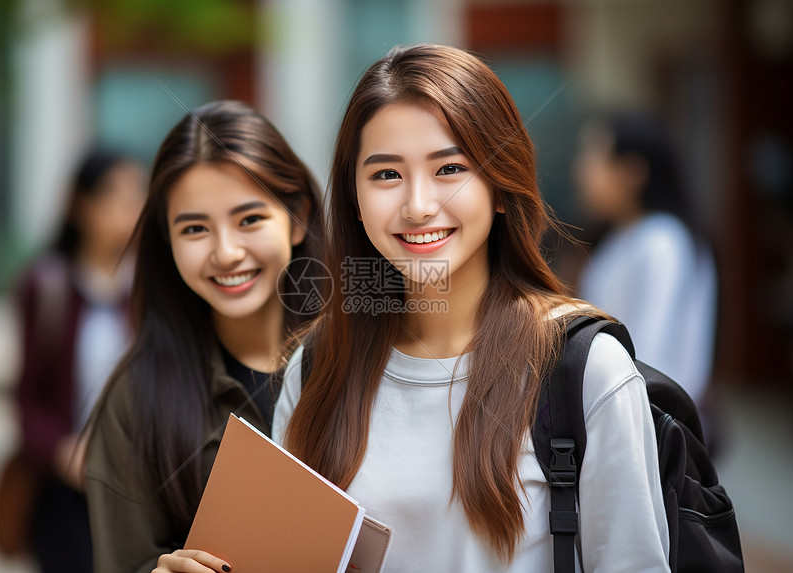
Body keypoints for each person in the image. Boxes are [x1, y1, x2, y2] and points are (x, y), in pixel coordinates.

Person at [273, 44, 670, 571]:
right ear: (356, 202)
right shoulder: (315, 368)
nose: (417, 206)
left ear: (501, 188)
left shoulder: (584, 372)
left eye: (450, 168)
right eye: (386, 175)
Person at [83, 100, 325, 573]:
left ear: (297, 215)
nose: (227, 252)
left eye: (249, 219)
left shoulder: (372, 358)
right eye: (195, 228)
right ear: (167, 241)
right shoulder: (135, 400)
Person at [15, 149, 146, 573]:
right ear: (79, 204)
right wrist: (60, 451)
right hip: (67, 487)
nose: (129, 207)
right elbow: (28, 393)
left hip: (139, 483)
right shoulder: (47, 286)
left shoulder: (153, 286)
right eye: (114, 194)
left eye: (137, 194)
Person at [574, 113, 718, 407]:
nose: (581, 171)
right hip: (620, 402)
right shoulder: (625, 235)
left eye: (594, 158)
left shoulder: (662, 241)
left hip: (648, 411)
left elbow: (650, 348)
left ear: (632, 171)